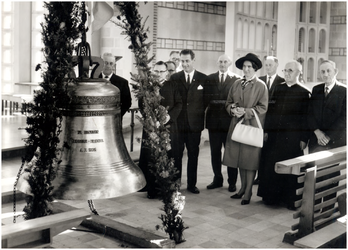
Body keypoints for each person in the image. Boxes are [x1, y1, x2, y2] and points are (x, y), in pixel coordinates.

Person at [257, 60, 311, 210]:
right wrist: (267, 130)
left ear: (298, 73)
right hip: (274, 136)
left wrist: (303, 139)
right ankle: (271, 198)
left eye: (290, 71)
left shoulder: (304, 92)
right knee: (272, 165)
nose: (286, 73)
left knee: (290, 168)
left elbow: (306, 118)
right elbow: (271, 112)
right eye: (285, 70)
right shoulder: (277, 89)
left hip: (292, 139)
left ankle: (289, 200)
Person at [222, 53, 268, 205]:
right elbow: (228, 102)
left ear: (255, 69)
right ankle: (242, 188)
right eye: (244, 66)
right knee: (240, 159)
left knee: (250, 160)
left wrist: (246, 112)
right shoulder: (236, 83)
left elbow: (263, 107)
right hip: (236, 126)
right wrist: (232, 109)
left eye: (249, 67)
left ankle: (248, 192)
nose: (246, 69)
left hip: (251, 127)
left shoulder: (261, 86)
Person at [138, 61, 182, 199]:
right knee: (151, 156)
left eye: (161, 71)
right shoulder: (147, 88)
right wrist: (150, 119)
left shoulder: (173, 86)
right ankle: (152, 188)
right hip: (151, 127)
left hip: (168, 127)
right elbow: (141, 103)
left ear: (166, 72)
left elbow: (179, 104)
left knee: (168, 156)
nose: (158, 74)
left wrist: (168, 117)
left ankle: (168, 188)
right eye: (156, 71)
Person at [308, 60, 346, 212]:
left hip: (334, 141)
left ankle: (328, 208)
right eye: (322, 71)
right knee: (315, 173)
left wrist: (328, 136)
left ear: (335, 71)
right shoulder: (316, 90)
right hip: (316, 139)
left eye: (328, 71)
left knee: (330, 175)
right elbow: (309, 113)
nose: (325, 74)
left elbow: (344, 119)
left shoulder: (344, 91)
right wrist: (317, 131)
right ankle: (315, 208)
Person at [169, 49, 209, 194]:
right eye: (182, 61)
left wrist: (197, 116)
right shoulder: (174, 78)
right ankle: (176, 184)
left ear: (193, 60)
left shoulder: (203, 79)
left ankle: (192, 185)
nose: (184, 64)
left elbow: (205, 102)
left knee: (193, 155)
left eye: (187, 61)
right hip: (178, 124)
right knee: (177, 155)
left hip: (194, 124)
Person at [205, 54, 241, 192]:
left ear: (229, 63)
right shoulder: (210, 78)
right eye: (220, 61)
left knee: (230, 152)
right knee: (215, 152)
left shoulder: (236, 79)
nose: (222, 64)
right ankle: (217, 179)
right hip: (213, 122)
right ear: (217, 63)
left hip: (229, 121)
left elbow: (237, 100)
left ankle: (232, 181)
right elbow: (207, 98)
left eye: (225, 61)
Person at [254, 56, 285, 185]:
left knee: (270, 151)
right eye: (266, 65)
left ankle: (268, 176)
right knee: (258, 151)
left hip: (273, 123)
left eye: (270, 65)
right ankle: (259, 176)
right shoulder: (259, 80)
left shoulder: (282, 81)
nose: (267, 68)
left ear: (276, 65)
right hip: (259, 120)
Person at [99, 52, 132, 118]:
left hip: (115, 120)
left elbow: (127, 103)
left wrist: (117, 115)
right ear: (101, 63)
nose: (108, 66)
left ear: (114, 65)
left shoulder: (122, 82)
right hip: (97, 118)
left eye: (111, 63)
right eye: (106, 63)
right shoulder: (94, 80)